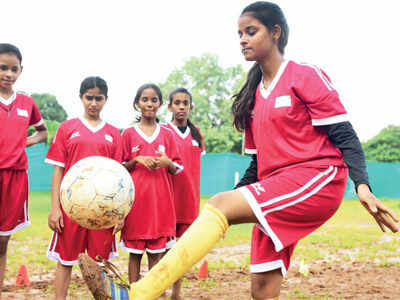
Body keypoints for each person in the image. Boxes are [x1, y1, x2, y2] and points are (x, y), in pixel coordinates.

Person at [126, 2, 399, 300]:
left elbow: (345, 135)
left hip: (318, 178)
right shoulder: (253, 98)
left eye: (251, 31)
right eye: (239, 33)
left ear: (276, 33)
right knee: (262, 290)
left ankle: (141, 293)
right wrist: (232, 203)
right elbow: (257, 166)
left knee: (220, 202)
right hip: (274, 189)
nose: (242, 39)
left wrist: (362, 185)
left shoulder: (304, 75)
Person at [45, 76, 123, 300]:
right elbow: (58, 171)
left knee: (102, 263)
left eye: (99, 98)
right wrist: (55, 208)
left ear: (106, 100)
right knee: (65, 260)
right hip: (72, 206)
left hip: (103, 209)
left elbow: (119, 177)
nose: (93, 103)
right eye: (89, 97)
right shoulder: (67, 128)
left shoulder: (113, 133)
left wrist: (120, 213)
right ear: (81, 97)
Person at [119, 83, 183, 298]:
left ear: (160, 104)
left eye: (154, 100)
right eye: (145, 99)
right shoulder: (128, 133)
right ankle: (135, 294)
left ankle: (158, 295)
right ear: (137, 103)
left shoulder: (167, 133)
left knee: (157, 256)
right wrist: (135, 160)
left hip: (160, 204)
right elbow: (119, 168)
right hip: (136, 204)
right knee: (135, 255)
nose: (149, 104)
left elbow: (176, 168)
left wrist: (167, 163)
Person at [0, 43, 48, 298]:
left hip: (15, 176)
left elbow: (43, 132)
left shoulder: (27, 103)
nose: (8, 73)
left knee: (2, 241)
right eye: (2, 68)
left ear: (20, 71)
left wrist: (26, 141)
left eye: (13, 69)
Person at [164, 87, 205, 299]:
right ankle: (160, 289)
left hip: (189, 202)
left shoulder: (197, 133)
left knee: (182, 249)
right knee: (162, 251)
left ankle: (176, 293)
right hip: (167, 201)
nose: (181, 107)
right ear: (169, 106)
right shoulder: (163, 131)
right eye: (177, 102)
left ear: (190, 106)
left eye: (185, 103)